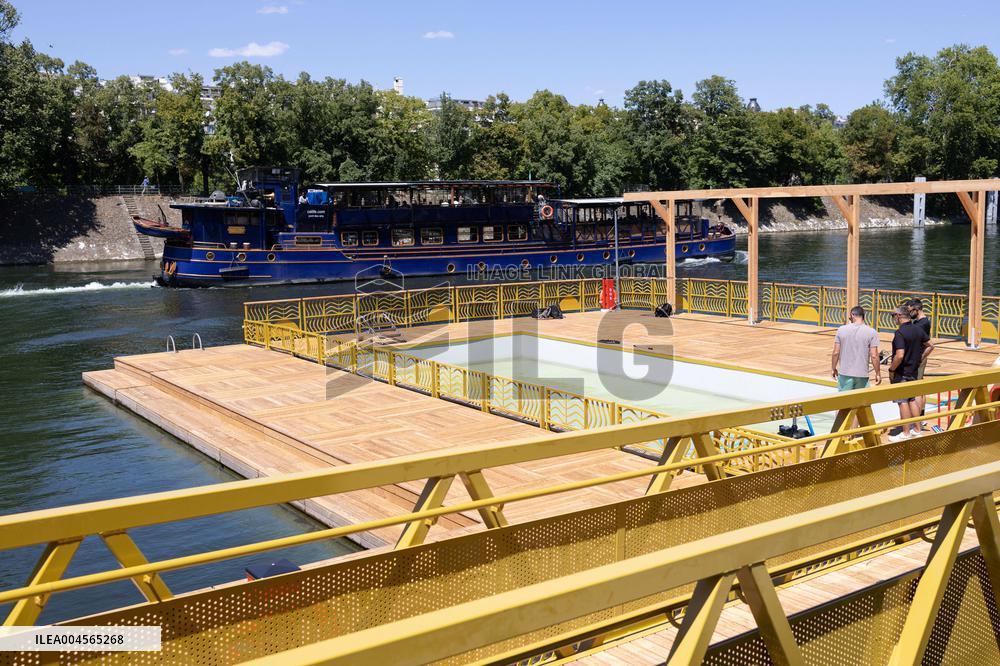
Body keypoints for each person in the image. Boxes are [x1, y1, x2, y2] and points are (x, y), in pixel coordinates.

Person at [888, 306, 933, 441]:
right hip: (913, 371)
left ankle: (906, 432)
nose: (893, 318)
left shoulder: (900, 333)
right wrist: (919, 358)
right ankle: (917, 430)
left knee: (903, 402)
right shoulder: (918, 329)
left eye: (893, 315)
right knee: (912, 399)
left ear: (898, 316)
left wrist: (892, 369)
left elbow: (900, 355)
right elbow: (931, 345)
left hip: (902, 372)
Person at [832, 306, 881, 391]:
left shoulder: (841, 330)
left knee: (844, 402)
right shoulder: (872, 332)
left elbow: (836, 352)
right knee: (861, 403)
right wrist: (878, 373)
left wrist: (833, 368)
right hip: (862, 374)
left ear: (852, 315)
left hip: (845, 373)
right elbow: (874, 355)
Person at [906, 298, 932, 418]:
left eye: (910, 311)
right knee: (919, 386)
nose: (909, 314)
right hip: (917, 357)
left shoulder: (922, 324)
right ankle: (921, 415)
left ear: (916, 309)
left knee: (917, 389)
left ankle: (918, 418)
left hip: (919, 358)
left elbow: (928, 344)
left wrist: (920, 358)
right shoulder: (919, 322)